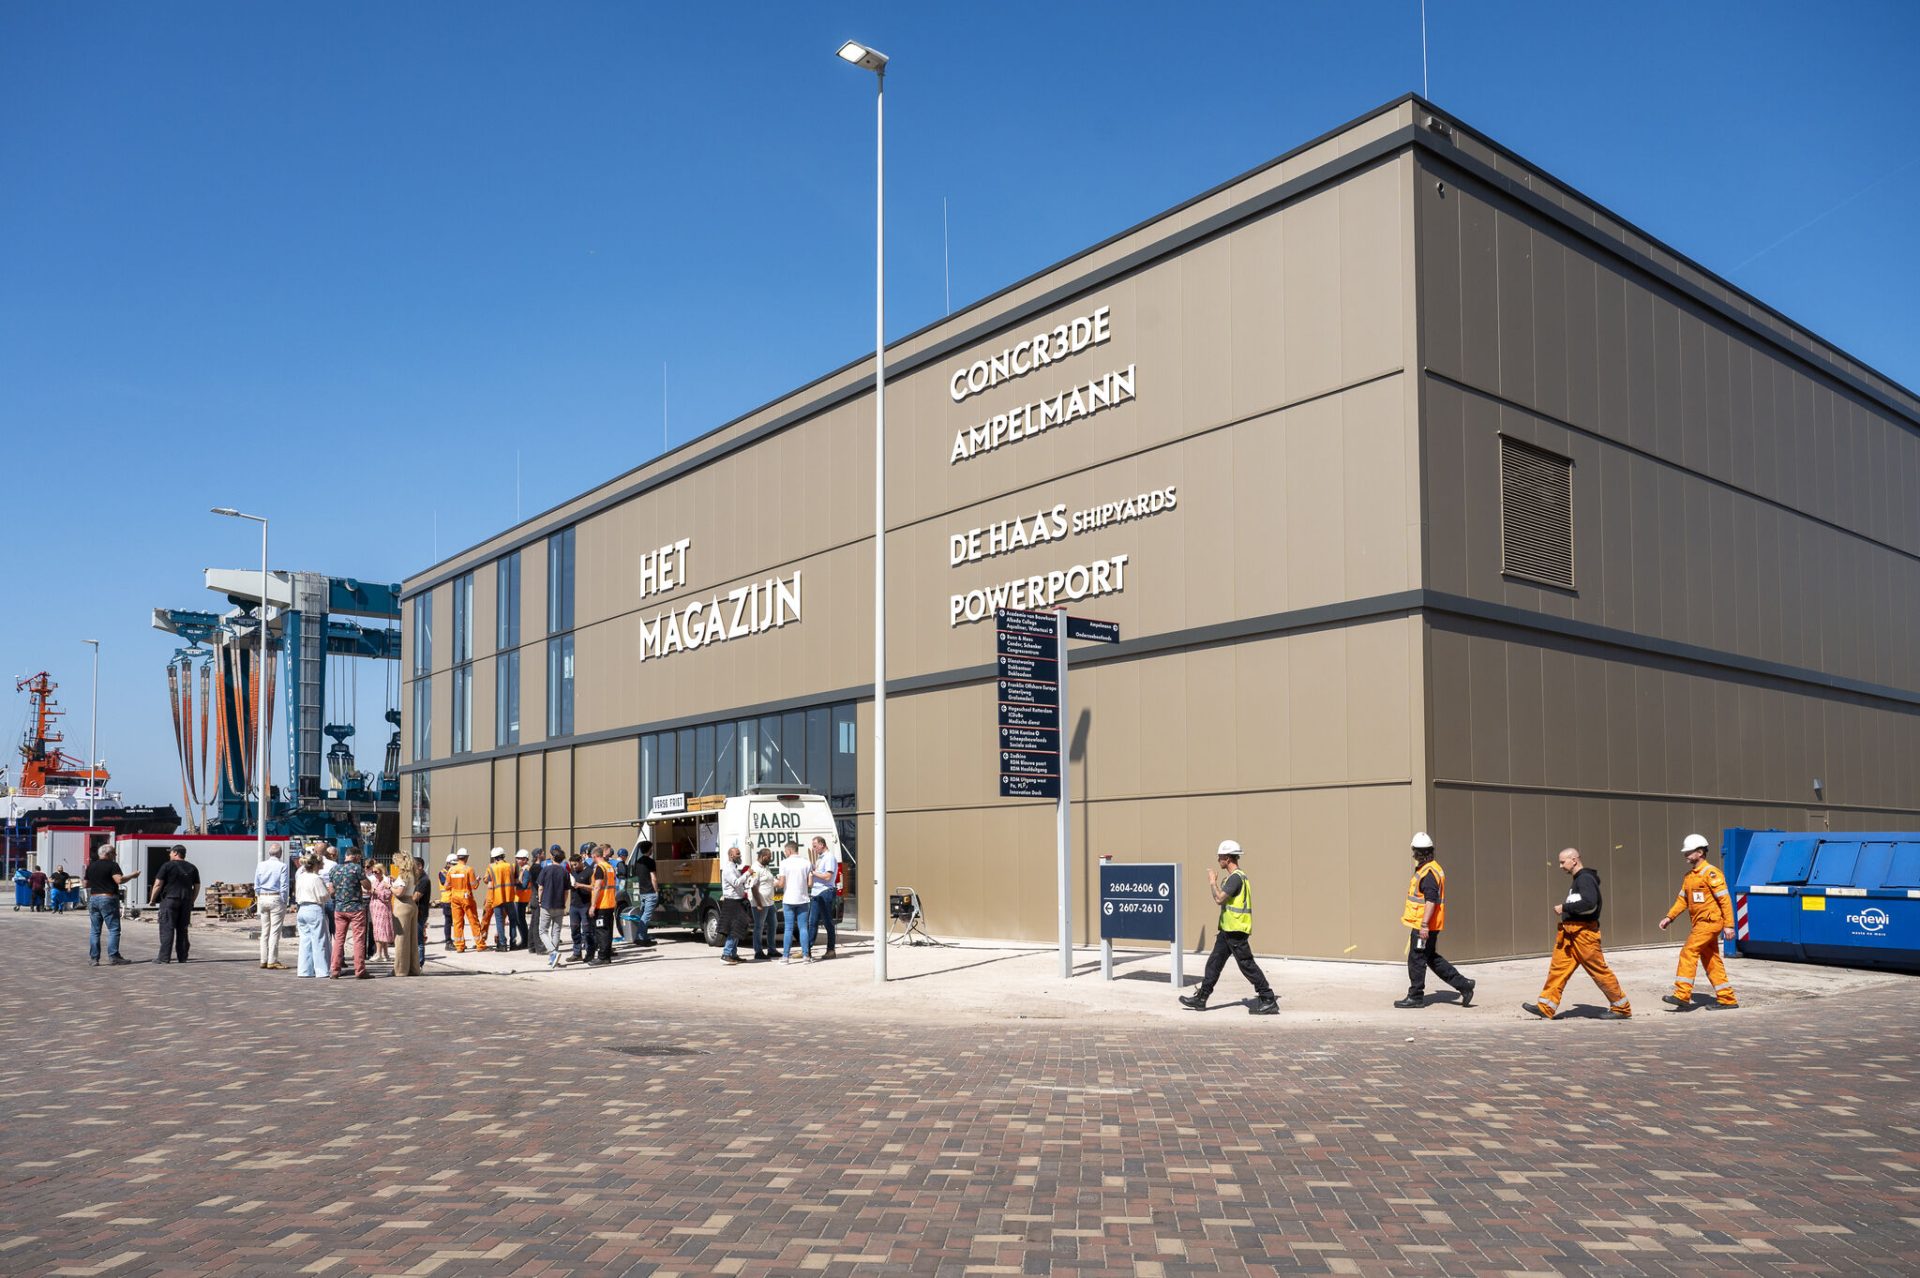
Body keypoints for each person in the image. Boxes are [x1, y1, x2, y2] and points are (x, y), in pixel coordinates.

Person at [1528, 847, 1632, 1019]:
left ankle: (1621, 1008)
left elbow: (1590, 904)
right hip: (1570, 934)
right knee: (1558, 969)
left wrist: (1564, 908)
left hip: (1584, 934)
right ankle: (1545, 1007)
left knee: (1599, 971)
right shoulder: (1579, 879)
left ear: (1574, 860)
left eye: (1563, 862)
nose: (1560, 866)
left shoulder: (1585, 879)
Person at [1179, 840, 1279, 1015]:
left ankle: (1268, 998)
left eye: (1220, 857)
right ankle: (1201, 998)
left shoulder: (1235, 878)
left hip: (1236, 930)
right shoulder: (1235, 877)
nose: (1218, 860)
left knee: (1247, 965)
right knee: (1214, 964)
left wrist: (1212, 882)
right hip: (1227, 930)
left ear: (1227, 858)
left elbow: (1219, 899)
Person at [1394, 832, 1476, 1009]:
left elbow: (1430, 900)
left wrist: (1424, 925)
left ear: (1418, 853)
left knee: (1416, 959)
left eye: (1415, 852)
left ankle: (1415, 996)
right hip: (1428, 925)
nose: (1413, 855)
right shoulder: (1433, 868)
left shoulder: (1428, 873)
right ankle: (1464, 985)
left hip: (1424, 926)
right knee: (1430, 957)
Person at [1658, 833, 1739, 1010]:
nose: (1685, 855)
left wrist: (1729, 925)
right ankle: (1727, 999)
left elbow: (1725, 900)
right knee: (1711, 960)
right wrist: (1669, 917)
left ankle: (1682, 994)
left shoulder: (1711, 873)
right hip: (1701, 924)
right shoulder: (1689, 876)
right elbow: (1682, 900)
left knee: (1688, 952)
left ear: (1700, 852)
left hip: (1709, 922)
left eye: (1688, 852)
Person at [149, 844, 202, 963]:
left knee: (167, 928)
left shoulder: (167, 866)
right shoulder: (192, 867)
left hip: (170, 900)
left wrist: (152, 899)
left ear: (176, 853)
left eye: (171, 852)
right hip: (186, 901)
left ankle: (164, 958)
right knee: (183, 929)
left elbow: (158, 884)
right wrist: (192, 900)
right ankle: (182, 957)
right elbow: (197, 886)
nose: (169, 854)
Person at [83, 845, 135, 966]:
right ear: (108, 854)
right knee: (113, 929)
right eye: (114, 853)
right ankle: (114, 956)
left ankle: (94, 958)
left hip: (94, 898)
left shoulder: (91, 866)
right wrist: (133, 875)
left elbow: (85, 884)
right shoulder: (112, 865)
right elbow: (119, 880)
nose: (115, 855)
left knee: (95, 930)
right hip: (108, 897)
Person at [328, 849, 373, 979]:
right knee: (358, 939)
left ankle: (335, 970)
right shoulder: (357, 868)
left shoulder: (334, 869)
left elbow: (331, 891)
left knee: (339, 939)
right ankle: (360, 970)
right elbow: (367, 886)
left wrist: (340, 895)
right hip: (356, 907)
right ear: (356, 856)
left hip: (339, 908)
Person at [293, 853, 332, 978]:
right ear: (315, 865)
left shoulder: (300, 877)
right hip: (314, 908)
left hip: (302, 908)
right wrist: (329, 892)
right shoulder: (316, 878)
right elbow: (324, 895)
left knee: (305, 940)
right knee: (319, 940)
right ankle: (322, 970)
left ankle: (304, 970)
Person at [778, 840, 815, 964]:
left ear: (789, 850)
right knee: (803, 928)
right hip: (803, 899)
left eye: (785, 851)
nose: (785, 853)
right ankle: (806, 956)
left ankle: (785, 957)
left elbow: (781, 883)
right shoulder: (806, 863)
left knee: (788, 928)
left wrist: (775, 883)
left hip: (789, 899)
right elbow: (810, 884)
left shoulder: (784, 863)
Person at [255, 841, 289, 970]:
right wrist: (284, 901)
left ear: (269, 853)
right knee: (275, 931)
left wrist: (260, 896)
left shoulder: (261, 865)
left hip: (263, 897)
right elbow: (284, 886)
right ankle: (272, 960)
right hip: (275, 897)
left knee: (265, 931)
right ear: (280, 853)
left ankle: (263, 959)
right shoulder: (282, 866)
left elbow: (256, 884)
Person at [716, 844, 753, 965]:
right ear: (731, 855)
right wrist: (747, 874)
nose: (740, 855)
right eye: (737, 854)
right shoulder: (728, 869)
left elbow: (739, 884)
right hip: (732, 902)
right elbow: (736, 883)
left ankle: (733, 954)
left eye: (739, 853)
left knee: (739, 927)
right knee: (735, 928)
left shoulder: (734, 868)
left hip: (738, 901)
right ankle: (726, 954)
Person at [535, 844, 570, 969]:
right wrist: (564, 903)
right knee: (556, 931)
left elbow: (540, 887)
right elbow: (566, 892)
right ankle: (553, 958)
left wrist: (540, 901)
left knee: (542, 931)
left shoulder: (546, 870)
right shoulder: (565, 872)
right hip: (559, 905)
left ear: (552, 857)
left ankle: (553, 952)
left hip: (546, 904)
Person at [389, 851, 423, 977]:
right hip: (411, 904)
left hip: (402, 905)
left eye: (396, 862)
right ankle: (413, 968)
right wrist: (395, 882)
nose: (395, 864)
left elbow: (399, 893)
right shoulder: (412, 873)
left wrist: (389, 886)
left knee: (401, 940)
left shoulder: (404, 875)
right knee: (412, 939)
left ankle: (400, 970)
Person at [588, 845, 620, 964]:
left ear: (594, 856)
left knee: (601, 931)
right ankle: (606, 956)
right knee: (608, 930)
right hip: (610, 903)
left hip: (602, 904)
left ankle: (602, 957)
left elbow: (597, 887)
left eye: (592, 857)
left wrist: (593, 905)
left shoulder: (600, 868)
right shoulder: (609, 867)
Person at [808, 835, 839, 959]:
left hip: (825, 891)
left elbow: (827, 876)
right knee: (812, 922)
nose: (814, 849)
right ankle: (807, 950)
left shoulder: (829, 857)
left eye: (815, 846)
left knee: (827, 922)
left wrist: (814, 872)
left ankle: (831, 950)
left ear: (822, 845)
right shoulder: (820, 859)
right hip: (816, 892)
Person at [444, 849, 480, 952]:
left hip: (455, 898)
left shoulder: (451, 870)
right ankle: (480, 944)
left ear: (458, 857)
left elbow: (446, 886)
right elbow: (474, 886)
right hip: (466, 898)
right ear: (466, 857)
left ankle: (459, 946)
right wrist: (477, 880)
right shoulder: (469, 869)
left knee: (457, 922)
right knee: (473, 921)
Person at [750, 848, 779, 960]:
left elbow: (770, 881)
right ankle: (758, 951)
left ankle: (772, 949)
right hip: (760, 903)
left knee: (773, 924)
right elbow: (753, 887)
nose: (770, 859)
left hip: (770, 902)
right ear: (763, 856)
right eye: (769, 857)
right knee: (759, 926)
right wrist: (758, 903)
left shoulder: (766, 867)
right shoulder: (755, 868)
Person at [482, 847, 514, 951]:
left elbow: (486, 880)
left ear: (494, 858)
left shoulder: (491, 867)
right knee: (510, 921)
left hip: (496, 897)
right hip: (508, 897)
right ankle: (511, 943)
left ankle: (501, 944)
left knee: (495, 920)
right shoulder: (511, 866)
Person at [367, 859, 396, 965]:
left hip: (383, 908)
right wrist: (369, 891)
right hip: (375, 908)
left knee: (380, 930)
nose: (374, 874)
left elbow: (387, 896)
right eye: (373, 872)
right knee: (379, 930)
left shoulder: (386, 881)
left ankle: (378, 953)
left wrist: (375, 891)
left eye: (376, 872)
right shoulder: (374, 881)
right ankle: (385, 954)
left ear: (382, 871)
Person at [566, 852, 593, 963]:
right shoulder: (572, 872)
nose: (574, 867)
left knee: (587, 931)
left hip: (585, 905)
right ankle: (577, 953)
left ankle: (590, 953)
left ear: (581, 861)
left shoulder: (589, 872)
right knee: (574, 930)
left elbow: (593, 887)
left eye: (575, 864)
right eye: (572, 865)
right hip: (574, 906)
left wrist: (580, 885)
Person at [632, 840, 658, 948]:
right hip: (650, 892)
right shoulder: (650, 862)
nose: (652, 850)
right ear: (649, 849)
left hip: (642, 892)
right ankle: (641, 938)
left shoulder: (637, 862)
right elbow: (653, 878)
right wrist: (656, 891)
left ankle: (642, 936)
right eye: (651, 848)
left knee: (643, 915)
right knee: (646, 916)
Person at [512, 849, 533, 952]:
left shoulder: (526, 870)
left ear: (525, 859)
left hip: (522, 898)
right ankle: (526, 940)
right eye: (517, 858)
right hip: (520, 897)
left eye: (519, 858)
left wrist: (513, 882)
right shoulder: (523, 869)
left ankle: (525, 941)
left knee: (520, 920)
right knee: (520, 920)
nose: (517, 860)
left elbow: (524, 885)